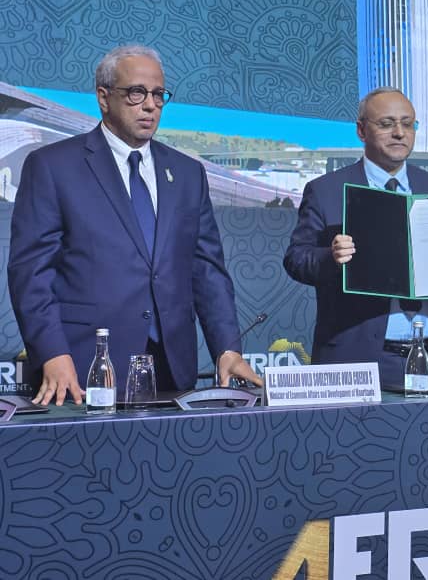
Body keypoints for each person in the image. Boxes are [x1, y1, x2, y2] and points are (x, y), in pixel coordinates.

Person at [7, 45, 262, 404]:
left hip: (173, 369)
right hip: (81, 367)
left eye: (158, 95)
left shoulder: (188, 174)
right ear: (103, 97)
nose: (150, 105)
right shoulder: (53, 166)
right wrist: (52, 352)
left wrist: (227, 348)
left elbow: (207, 271)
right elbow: (31, 272)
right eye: (136, 93)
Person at [283, 87, 428, 388]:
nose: (399, 132)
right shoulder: (326, 190)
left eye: (407, 124)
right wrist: (331, 258)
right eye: (386, 124)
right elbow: (296, 259)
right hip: (357, 358)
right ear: (361, 130)